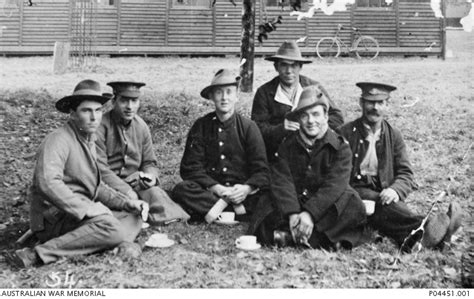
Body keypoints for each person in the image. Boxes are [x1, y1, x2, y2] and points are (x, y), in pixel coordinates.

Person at [6, 80, 147, 268]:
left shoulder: (88, 140)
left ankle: (108, 241)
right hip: (55, 217)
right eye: (86, 111)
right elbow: (47, 182)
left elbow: (96, 187)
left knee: (134, 215)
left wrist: (126, 203)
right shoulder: (58, 139)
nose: (94, 117)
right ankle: (37, 254)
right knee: (110, 226)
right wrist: (86, 208)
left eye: (98, 111)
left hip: (75, 214)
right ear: (72, 114)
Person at [338, 82, 463, 252]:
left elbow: (405, 173)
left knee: (388, 209)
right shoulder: (345, 133)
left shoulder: (394, 135)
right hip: (354, 193)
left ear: (387, 106)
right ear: (361, 103)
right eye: (370, 102)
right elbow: (335, 174)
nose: (375, 108)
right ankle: (428, 227)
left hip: (384, 194)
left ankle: (420, 241)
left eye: (380, 103)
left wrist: (395, 190)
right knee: (387, 206)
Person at [249, 85, 367, 250]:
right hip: (295, 202)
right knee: (265, 204)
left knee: (353, 205)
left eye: (316, 114)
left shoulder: (341, 147)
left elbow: (334, 186)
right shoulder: (287, 145)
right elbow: (283, 180)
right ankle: (318, 239)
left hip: (323, 205)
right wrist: (292, 214)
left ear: (326, 116)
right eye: (305, 116)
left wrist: (310, 214)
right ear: (298, 119)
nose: (311, 121)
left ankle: (292, 238)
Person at [172, 69, 270, 223]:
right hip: (211, 192)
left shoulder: (249, 127)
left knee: (269, 195)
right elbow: (190, 168)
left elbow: (262, 171)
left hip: (242, 194)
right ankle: (236, 212)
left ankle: (216, 212)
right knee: (182, 189)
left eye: (229, 92)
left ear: (237, 96)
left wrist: (246, 189)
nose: (224, 98)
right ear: (211, 97)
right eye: (219, 93)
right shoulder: (201, 126)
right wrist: (217, 188)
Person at [95, 81, 190, 225]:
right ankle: (136, 215)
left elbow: (149, 162)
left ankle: (159, 217)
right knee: (117, 204)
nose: (129, 107)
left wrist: (151, 177)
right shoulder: (100, 126)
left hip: (136, 184)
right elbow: (100, 169)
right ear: (114, 101)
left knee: (156, 194)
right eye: (124, 100)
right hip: (108, 186)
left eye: (134, 101)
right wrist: (127, 191)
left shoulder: (141, 126)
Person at [251, 40, 344, 160]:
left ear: (300, 67)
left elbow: (337, 117)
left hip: (312, 153)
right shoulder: (264, 92)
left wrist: (313, 128)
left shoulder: (314, 88)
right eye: (284, 65)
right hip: (278, 155)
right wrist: (280, 129)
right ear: (276, 67)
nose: (289, 71)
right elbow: (257, 129)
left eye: (293, 65)